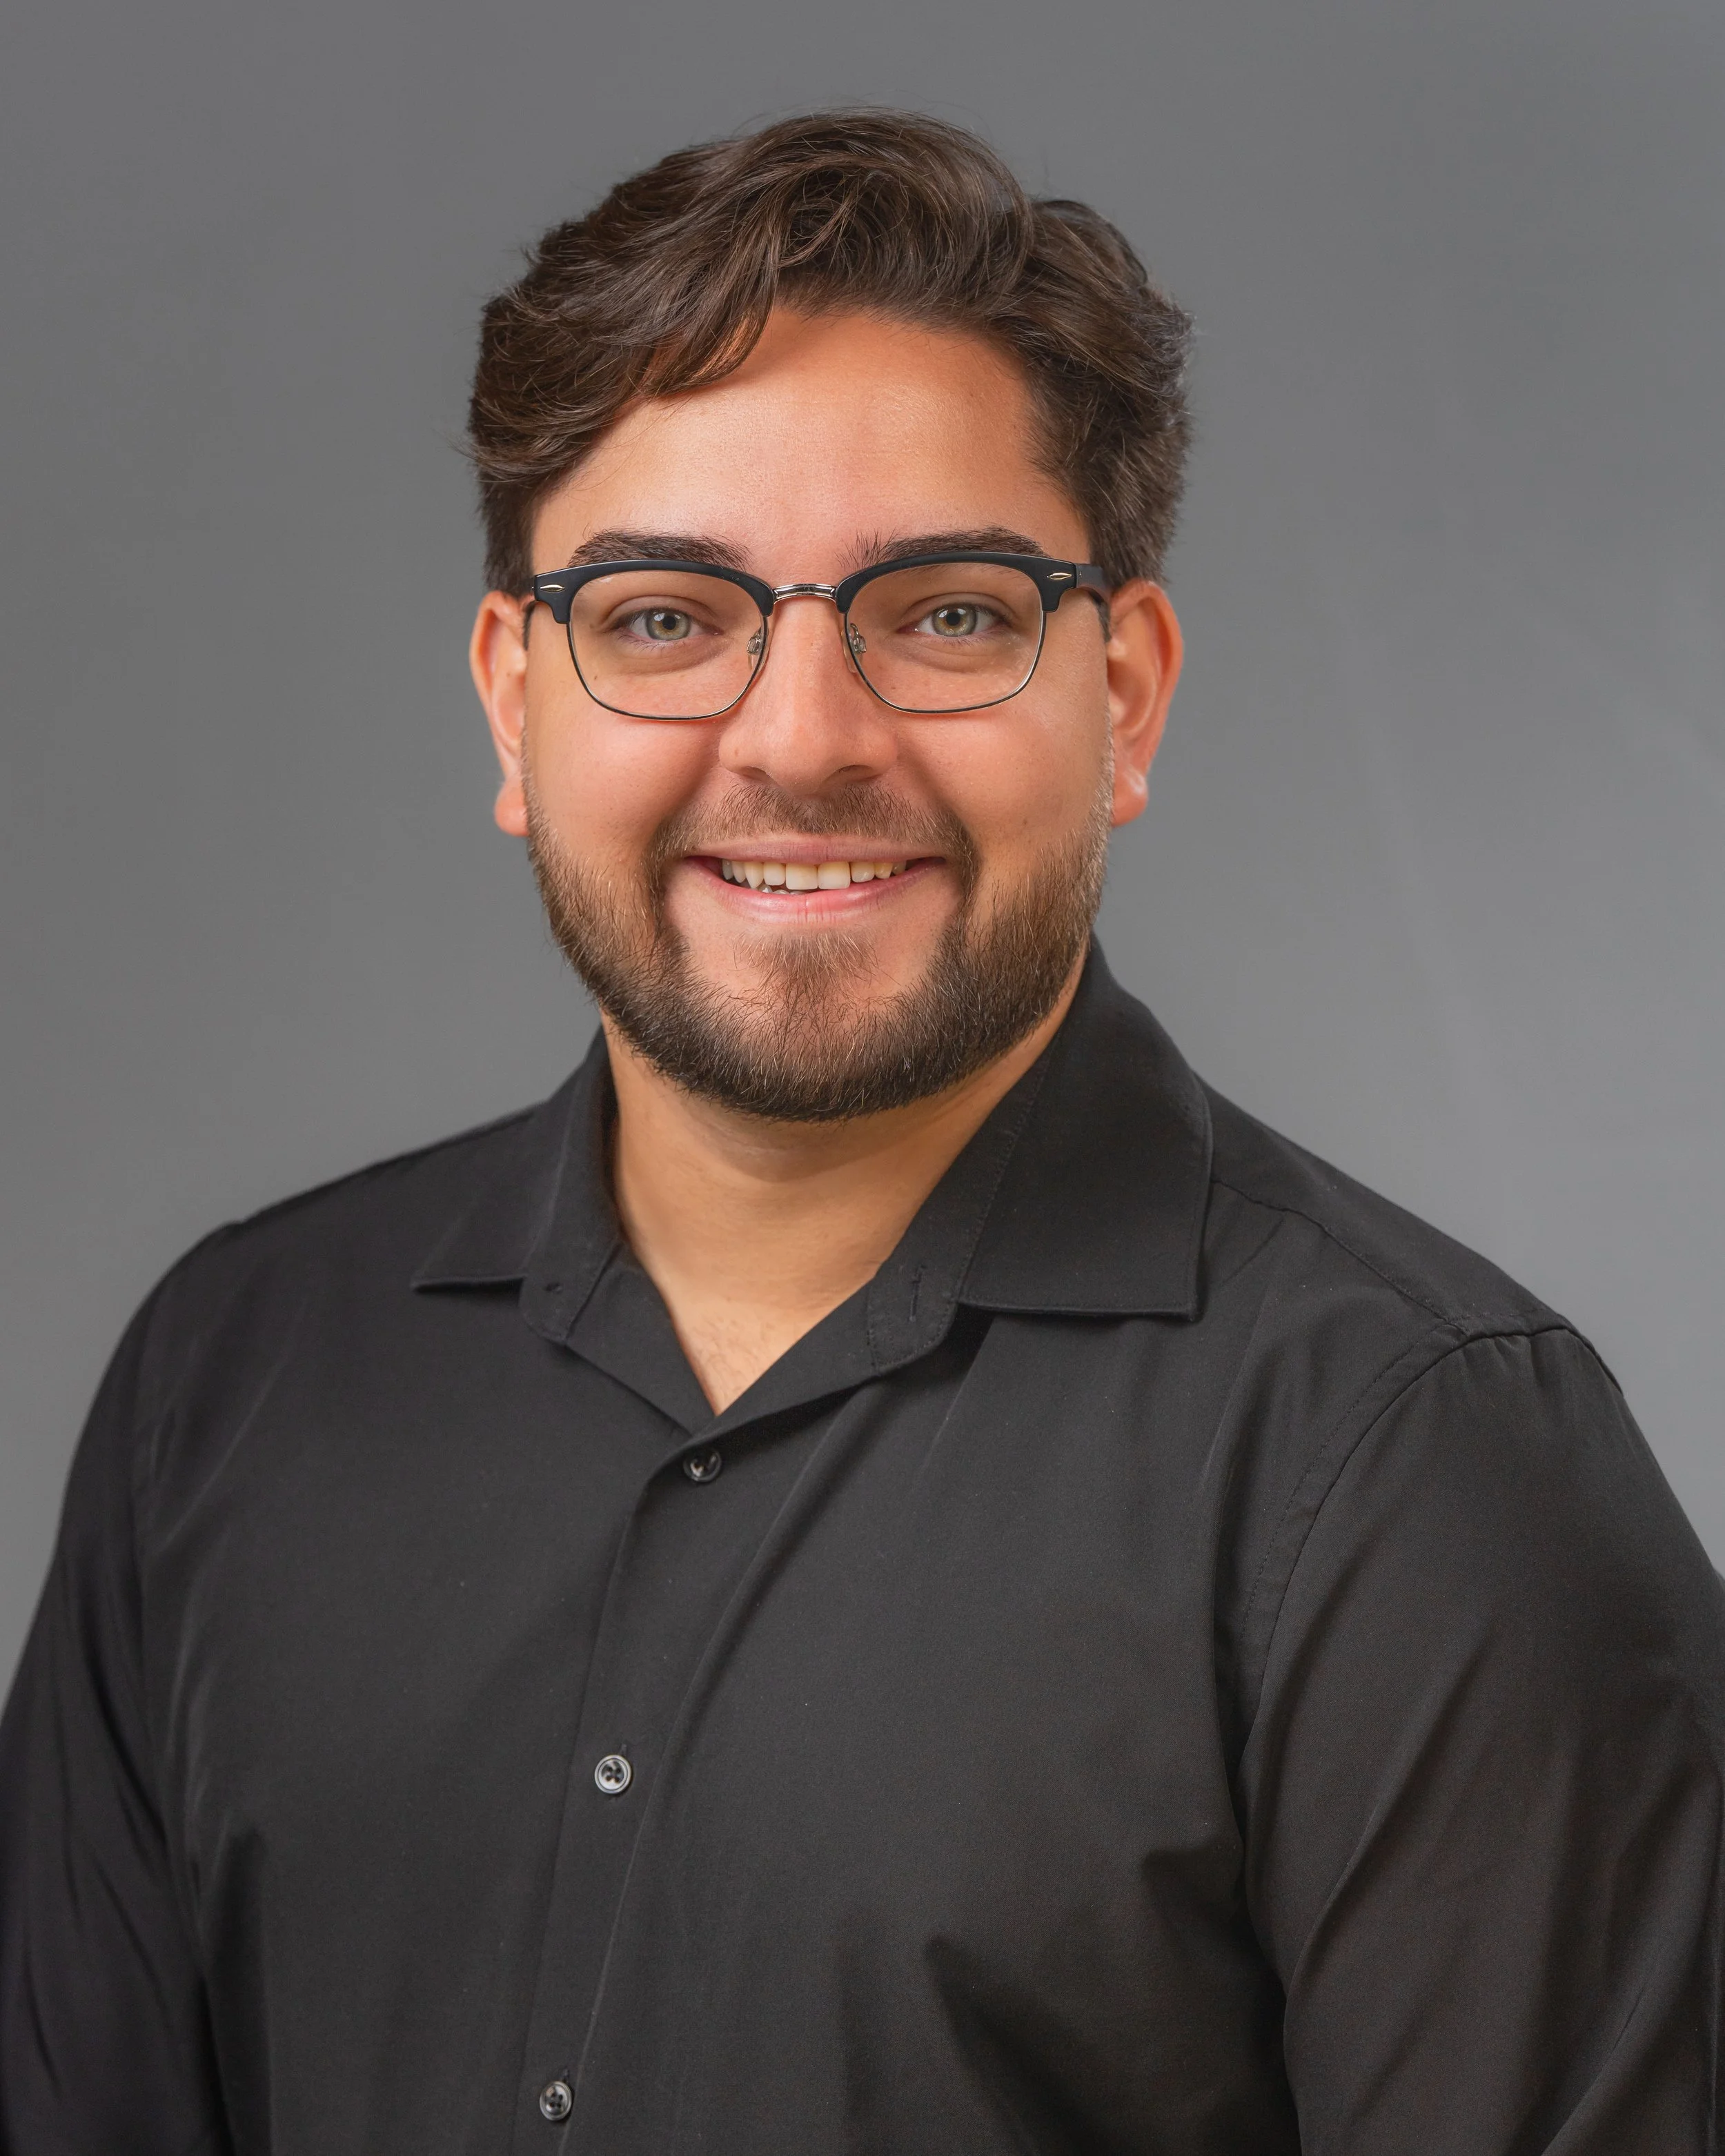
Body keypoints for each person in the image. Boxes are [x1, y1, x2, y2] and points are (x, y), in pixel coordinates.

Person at [1, 109, 1720, 2156]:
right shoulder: (235, 1373)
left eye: (946, 611)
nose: (803, 736)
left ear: (1128, 694)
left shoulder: (1419, 1470)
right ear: (508, 705)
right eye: (661, 615)